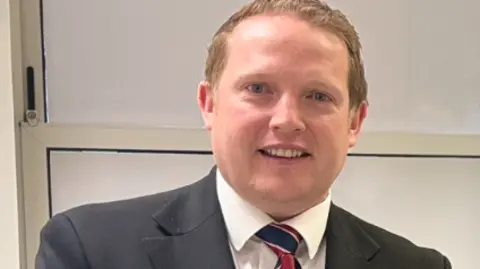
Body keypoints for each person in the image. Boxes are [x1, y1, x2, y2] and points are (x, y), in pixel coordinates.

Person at [36, 0, 452, 268]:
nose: (288, 120)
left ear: (354, 124)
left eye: (318, 95)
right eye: (258, 89)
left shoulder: (418, 267)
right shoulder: (90, 250)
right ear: (209, 104)